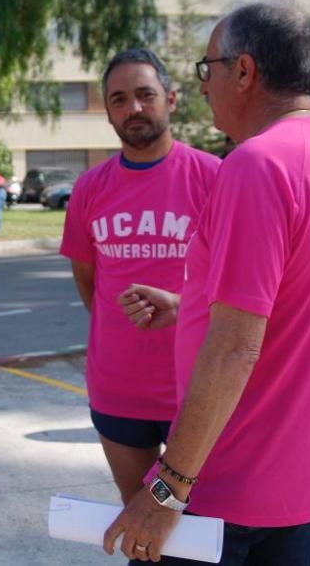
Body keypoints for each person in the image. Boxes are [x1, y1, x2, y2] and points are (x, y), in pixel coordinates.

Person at [105, 0, 310, 564]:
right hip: (303, 480)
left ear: (245, 71)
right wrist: (192, 307)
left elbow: (237, 347)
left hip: (233, 489)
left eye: (209, 69)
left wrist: (166, 488)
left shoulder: (257, 166)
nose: (204, 87)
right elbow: (296, 308)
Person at [60, 48, 220, 505]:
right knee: (141, 519)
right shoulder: (90, 187)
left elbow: (238, 287)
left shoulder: (215, 177)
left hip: (197, 388)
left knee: (207, 524)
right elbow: (89, 283)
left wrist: (182, 306)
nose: (133, 108)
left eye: (145, 95)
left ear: (170, 99)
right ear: (108, 110)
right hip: (118, 387)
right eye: (119, 99)